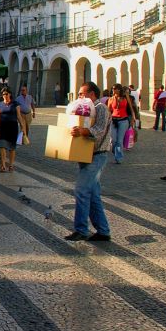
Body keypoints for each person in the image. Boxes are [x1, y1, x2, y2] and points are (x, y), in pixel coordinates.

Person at [64, 81, 113, 241]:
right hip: (85, 153)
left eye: (82, 94)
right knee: (92, 194)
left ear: (92, 94)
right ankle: (103, 231)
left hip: (98, 154)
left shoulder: (101, 109)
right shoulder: (85, 111)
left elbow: (99, 130)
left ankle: (81, 229)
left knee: (82, 190)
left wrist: (83, 131)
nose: (79, 97)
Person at [0, 89, 26, 172]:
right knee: (2, 146)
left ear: (10, 94)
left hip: (12, 127)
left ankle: (11, 165)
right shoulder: (0, 104)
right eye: (3, 94)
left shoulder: (15, 104)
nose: (4, 95)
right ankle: (3, 165)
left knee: (12, 148)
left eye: (6, 94)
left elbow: (19, 116)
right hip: (3, 127)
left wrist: (23, 127)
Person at [106, 84, 135, 164]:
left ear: (119, 89)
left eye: (115, 89)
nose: (113, 90)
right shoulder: (111, 99)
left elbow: (131, 108)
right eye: (112, 89)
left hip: (123, 120)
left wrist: (133, 117)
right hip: (113, 120)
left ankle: (118, 158)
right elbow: (108, 111)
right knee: (113, 140)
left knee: (119, 140)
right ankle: (115, 151)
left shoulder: (125, 97)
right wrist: (107, 121)